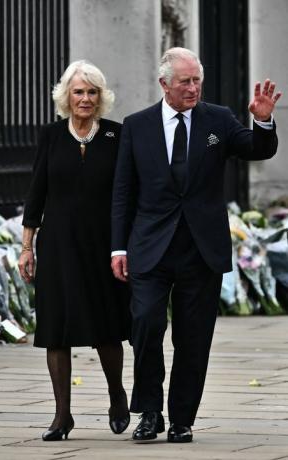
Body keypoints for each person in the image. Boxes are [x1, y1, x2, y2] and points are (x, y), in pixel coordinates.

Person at [111, 47, 281, 443]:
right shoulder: (137, 126)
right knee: (146, 324)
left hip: (200, 249)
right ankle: (149, 412)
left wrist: (262, 120)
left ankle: (182, 418)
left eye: (196, 81)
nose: (192, 88)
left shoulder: (217, 119)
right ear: (164, 84)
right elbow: (123, 192)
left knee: (193, 336)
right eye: (185, 81)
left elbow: (258, 149)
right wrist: (118, 248)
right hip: (150, 246)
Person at [18, 60, 131, 441]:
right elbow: (37, 191)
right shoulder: (51, 135)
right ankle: (61, 415)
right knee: (56, 329)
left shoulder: (117, 135)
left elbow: (129, 192)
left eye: (92, 92)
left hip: (103, 245)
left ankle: (117, 395)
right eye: (79, 91)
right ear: (66, 96)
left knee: (105, 327)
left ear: (102, 97)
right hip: (59, 244)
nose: (85, 98)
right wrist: (27, 246)